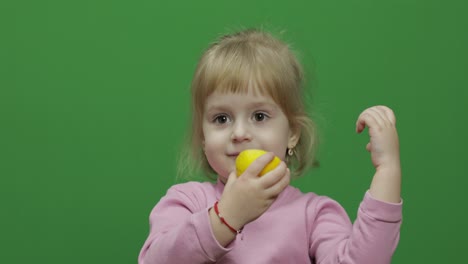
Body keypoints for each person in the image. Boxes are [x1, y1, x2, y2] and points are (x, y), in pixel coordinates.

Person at [138, 29, 402, 264]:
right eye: (222, 119)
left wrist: (387, 172)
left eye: (259, 116)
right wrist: (225, 217)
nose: (239, 133)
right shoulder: (186, 202)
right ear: (204, 138)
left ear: (292, 134)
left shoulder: (314, 215)